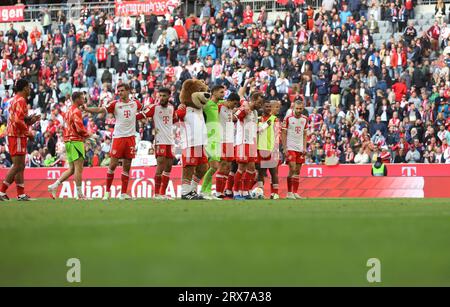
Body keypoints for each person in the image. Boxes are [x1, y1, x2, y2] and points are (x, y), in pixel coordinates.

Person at [83, 83, 140, 200]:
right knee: (113, 165)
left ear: (128, 91)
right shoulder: (115, 104)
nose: (120, 93)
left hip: (130, 138)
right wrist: (86, 108)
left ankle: (123, 193)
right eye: (118, 91)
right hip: (118, 138)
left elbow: (145, 111)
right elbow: (100, 109)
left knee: (127, 166)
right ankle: (107, 192)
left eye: (122, 90)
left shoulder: (136, 103)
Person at [0, 79, 40, 201]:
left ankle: (21, 194)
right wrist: (28, 132)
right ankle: (1, 191)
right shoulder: (21, 100)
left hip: (16, 135)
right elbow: (17, 121)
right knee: (18, 165)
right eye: (28, 87)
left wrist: (30, 120)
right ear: (24, 88)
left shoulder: (15, 100)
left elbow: (19, 119)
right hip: (16, 135)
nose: (30, 89)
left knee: (21, 165)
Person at [47, 92, 91, 200]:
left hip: (68, 141)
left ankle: (54, 186)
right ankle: (80, 195)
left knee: (71, 169)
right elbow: (79, 128)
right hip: (76, 141)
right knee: (78, 169)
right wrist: (89, 135)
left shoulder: (68, 111)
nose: (84, 99)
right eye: (82, 98)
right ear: (77, 99)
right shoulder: (76, 111)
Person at [136, 88, 176, 200]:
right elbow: (140, 116)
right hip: (160, 141)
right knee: (160, 166)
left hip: (170, 141)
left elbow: (175, 119)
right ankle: (157, 194)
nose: (161, 98)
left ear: (169, 96)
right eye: (160, 96)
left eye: (164, 96)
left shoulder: (172, 108)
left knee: (168, 168)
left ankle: (163, 194)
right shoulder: (154, 107)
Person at [233, 90, 264, 200]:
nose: (260, 105)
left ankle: (245, 192)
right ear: (253, 100)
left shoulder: (255, 113)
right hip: (243, 142)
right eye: (259, 102)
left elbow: (256, 129)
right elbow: (233, 118)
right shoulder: (245, 108)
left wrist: (268, 124)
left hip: (252, 142)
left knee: (251, 169)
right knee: (241, 168)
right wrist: (240, 111)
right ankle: (236, 192)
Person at [200, 85, 226, 200]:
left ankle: (207, 192)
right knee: (214, 166)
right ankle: (203, 190)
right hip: (209, 139)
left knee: (214, 167)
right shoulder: (206, 105)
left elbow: (230, 102)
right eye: (221, 92)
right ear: (214, 93)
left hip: (217, 139)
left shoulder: (217, 105)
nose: (223, 94)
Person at [214, 92, 240, 198]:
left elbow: (234, 118)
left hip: (230, 141)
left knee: (228, 167)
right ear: (229, 100)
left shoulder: (230, 110)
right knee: (222, 166)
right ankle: (218, 192)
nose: (234, 106)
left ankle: (223, 191)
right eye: (234, 103)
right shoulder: (219, 107)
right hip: (221, 140)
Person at [282, 101, 308, 199]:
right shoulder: (288, 118)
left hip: (300, 148)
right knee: (292, 168)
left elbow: (305, 134)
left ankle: (295, 192)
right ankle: (289, 193)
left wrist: (304, 147)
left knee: (297, 171)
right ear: (294, 108)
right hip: (290, 146)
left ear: (303, 108)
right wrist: (285, 148)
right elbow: (283, 133)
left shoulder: (305, 119)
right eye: (297, 108)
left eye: (300, 109)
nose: (298, 110)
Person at [256, 100, 280, 199]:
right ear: (262, 107)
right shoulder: (258, 119)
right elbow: (257, 131)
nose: (269, 108)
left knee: (273, 171)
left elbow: (277, 134)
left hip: (270, 149)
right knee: (261, 172)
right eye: (267, 106)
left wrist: (276, 147)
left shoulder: (274, 119)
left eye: (270, 107)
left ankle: (275, 193)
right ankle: (260, 192)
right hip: (260, 148)